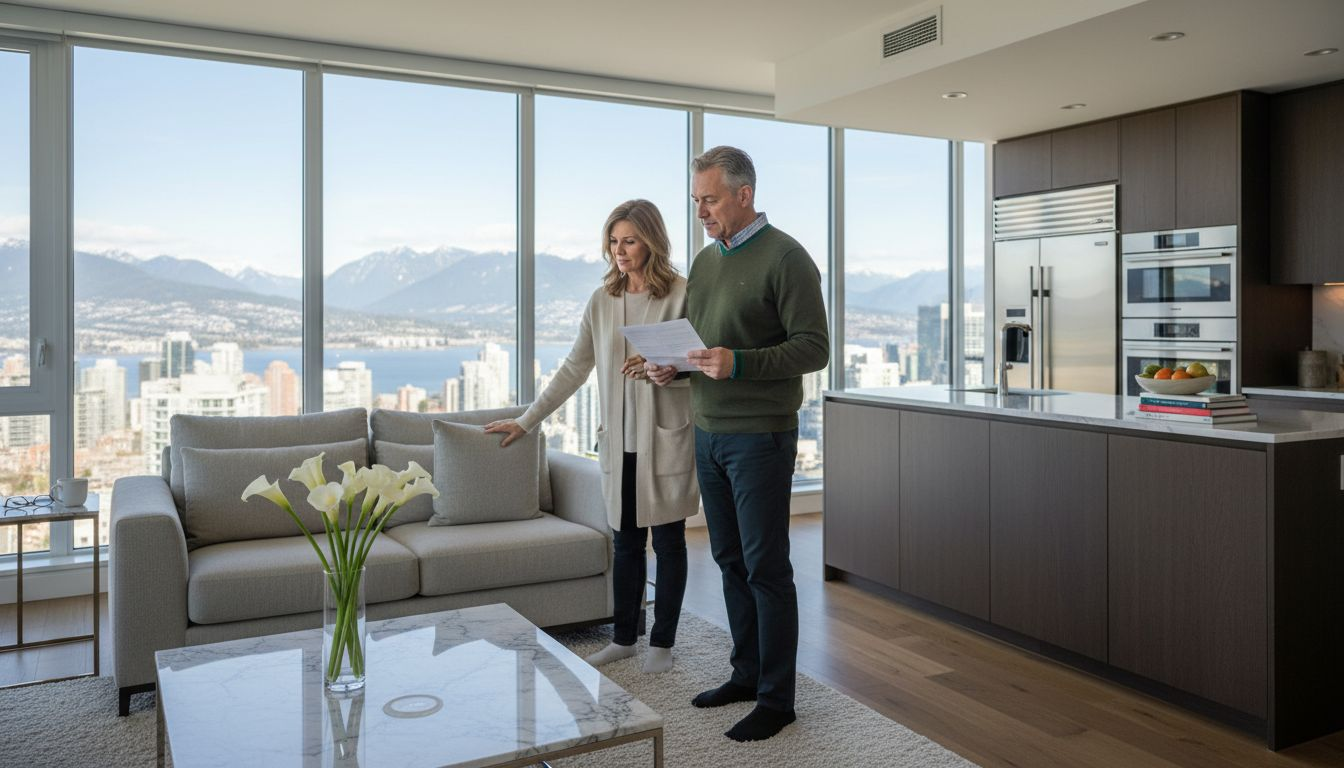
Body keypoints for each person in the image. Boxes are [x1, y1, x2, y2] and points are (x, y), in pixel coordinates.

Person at [648, 146, 829, 742]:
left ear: (743, 195)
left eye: (710, 199)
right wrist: (677, 367)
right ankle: (747, 674)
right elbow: (707, 347)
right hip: (709, 432)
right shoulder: (705, 262)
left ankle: (778, 700)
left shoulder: (788, 258)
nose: (700, 210)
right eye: (696, 200)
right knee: (728, 560)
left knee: (766, 568)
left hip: (761, 437)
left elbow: (813, 348)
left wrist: (741, 364)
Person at [485, 199, 698, 674]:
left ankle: (662, 644)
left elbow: (699, 363)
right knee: (624, 543)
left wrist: (668, 371)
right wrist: (527, 420)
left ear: (652, 242)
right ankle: (624, 638)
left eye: (630, 240)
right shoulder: (603, 300)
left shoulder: (682, 294)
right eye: (613, 241)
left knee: (668, 542)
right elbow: (574, 367)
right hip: (617, 441)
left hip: (665, 438)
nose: (619, 251)